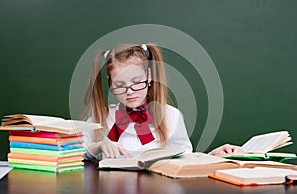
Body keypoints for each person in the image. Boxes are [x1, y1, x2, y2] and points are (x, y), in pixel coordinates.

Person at [82, 43, 241, 160]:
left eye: (137, 82)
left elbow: (185, 158)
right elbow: (76, 156)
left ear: (149, 76)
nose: (129, 91)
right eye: (120, 85)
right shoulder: (101, 117)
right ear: (110, 82)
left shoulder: (171, 116)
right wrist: (99, 146)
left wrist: (213, 156)